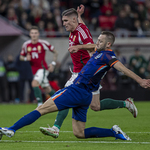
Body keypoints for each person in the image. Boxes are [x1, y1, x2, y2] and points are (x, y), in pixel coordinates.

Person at [0, 31, 150, 141]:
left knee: (41, 109)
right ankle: (113, 132)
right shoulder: (98, 51)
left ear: (108, 43)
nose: (97, 42)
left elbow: (122, 68)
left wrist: (140, 80)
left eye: (100, 40)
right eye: (97, 39)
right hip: (85, 95)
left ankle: (11, 129)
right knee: (79, 133)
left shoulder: (108, 55)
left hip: (76, 90)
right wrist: (79, 26)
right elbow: (90, 46)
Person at [39, 5, 138, 139]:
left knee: (66, 95)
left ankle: (56, 128)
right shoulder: (77, 29)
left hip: (83, 74)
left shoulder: (80, 31)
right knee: (95, 106)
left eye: (66, 21)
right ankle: (126, 104)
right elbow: (84, 30)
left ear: (73, 20)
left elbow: (94, 46)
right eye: (63, 21)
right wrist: (80, 16)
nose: (64, 24)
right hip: (87, 75)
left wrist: (78, 47)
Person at [19, 26, 58, 106]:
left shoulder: (43, 43)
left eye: (35, 33)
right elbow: (21, 57)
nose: (34, 35)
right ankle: (60, 101)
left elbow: (55, 52)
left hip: (43, 68)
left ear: (38, 34)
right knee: (47, 88)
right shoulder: (26, 45)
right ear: (30, 34)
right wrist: (26, 58)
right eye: (32, 33)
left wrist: (53, 64)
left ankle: (39, 105)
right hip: (34, 70)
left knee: (34, 83)